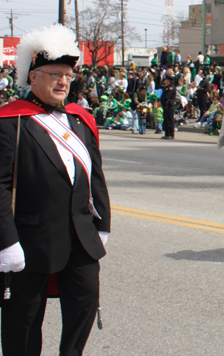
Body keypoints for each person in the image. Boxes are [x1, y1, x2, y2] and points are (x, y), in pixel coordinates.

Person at [0, 24, 110, 355]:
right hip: (30, 242)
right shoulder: (10, 122)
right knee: (23, 323)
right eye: (54, 74)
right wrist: (7, 242)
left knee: (84, 308)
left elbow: (96, 177)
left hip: (81, 239)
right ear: (32, 77)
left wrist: (102, 225)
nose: (63, 81)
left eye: (67, 74)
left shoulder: (80, 120)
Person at [160, 73, 176, 139]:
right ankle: (167, 133)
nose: (164, 80)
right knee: (166, 120)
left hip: (169, 105)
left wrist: (162, 101)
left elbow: (167, 96)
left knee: (169, 120)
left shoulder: (171, 87)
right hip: (165, 105)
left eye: (166, 79)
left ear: (168, 80)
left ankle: (171, 134)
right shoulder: (167, 87)